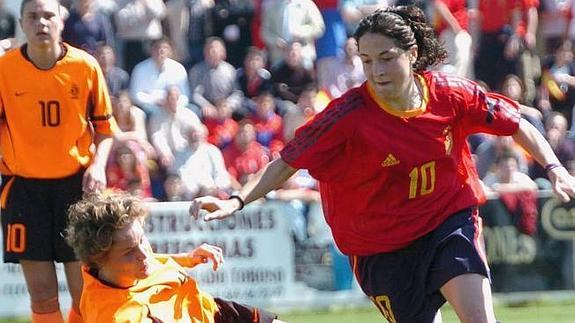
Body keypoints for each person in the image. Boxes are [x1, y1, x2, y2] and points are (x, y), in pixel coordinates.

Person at [190, 6, 575, 323]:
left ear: (411, 54)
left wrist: (555, 168)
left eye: (387, 59)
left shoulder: (451, 94)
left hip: (446, 220)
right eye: (367, 60)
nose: (376, 71)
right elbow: (285, 162)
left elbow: (517, 123)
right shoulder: (346, 115)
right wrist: (235, 201)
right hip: (380, 247)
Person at [0, 0, 119, 322]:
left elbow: (106, 131)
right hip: (23, 189)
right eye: (33, 16)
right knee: (41, 294)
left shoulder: (85, 66)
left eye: (48, 15)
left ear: (61, 21)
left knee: (84, 291)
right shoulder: (4, 69)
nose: (41, 23)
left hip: (75, 188)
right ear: (22, 23)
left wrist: (96, 166)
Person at [65, 192, 281, 322]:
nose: (144, 254)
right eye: (129, 252)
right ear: (100, 259)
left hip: (214, 313)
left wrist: (187, 257)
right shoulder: (117, 316)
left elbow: (153, 258)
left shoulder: (130, 265)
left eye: (142, 240)